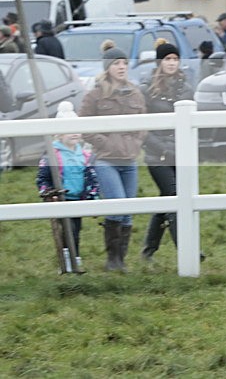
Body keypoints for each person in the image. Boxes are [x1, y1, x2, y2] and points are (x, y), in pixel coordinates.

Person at [79, 40, 147, 272]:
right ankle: (112, 259)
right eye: (116, 63)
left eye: (124, 63)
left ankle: (120, 260)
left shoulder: (135, 93)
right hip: (106, 160)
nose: (121, 67)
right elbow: (84, 126)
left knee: (127, 213)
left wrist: (136, 143)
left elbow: (143, 123)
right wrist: (105, 143)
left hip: (129, 160)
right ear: (107, 66)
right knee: (117, 205)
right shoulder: (94, 95)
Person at [140, 42, 194, 263]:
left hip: (180, 154)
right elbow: (142, 126)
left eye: (174, 59)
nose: (171, 63)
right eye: (167, 59)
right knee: (174, 195)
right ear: (159, 62)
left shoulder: (187, 88)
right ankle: (187, 250)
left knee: (167, 198)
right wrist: (161, 148)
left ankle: (148, 249)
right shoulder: (147, 89)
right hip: (157, 155)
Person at [36, 101, 100, 263]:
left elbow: (92, 178)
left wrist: (93, 197)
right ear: (59, 134)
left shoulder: (85, 155)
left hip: (78, 199)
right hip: (61, 199)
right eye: (68, 130)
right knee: (68, 229)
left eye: (76, 130)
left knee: (76, 230)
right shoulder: (52, 155)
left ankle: (74, 257)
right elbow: (43, 178)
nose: (74, 134)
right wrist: (48, 193)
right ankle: (66, 258)